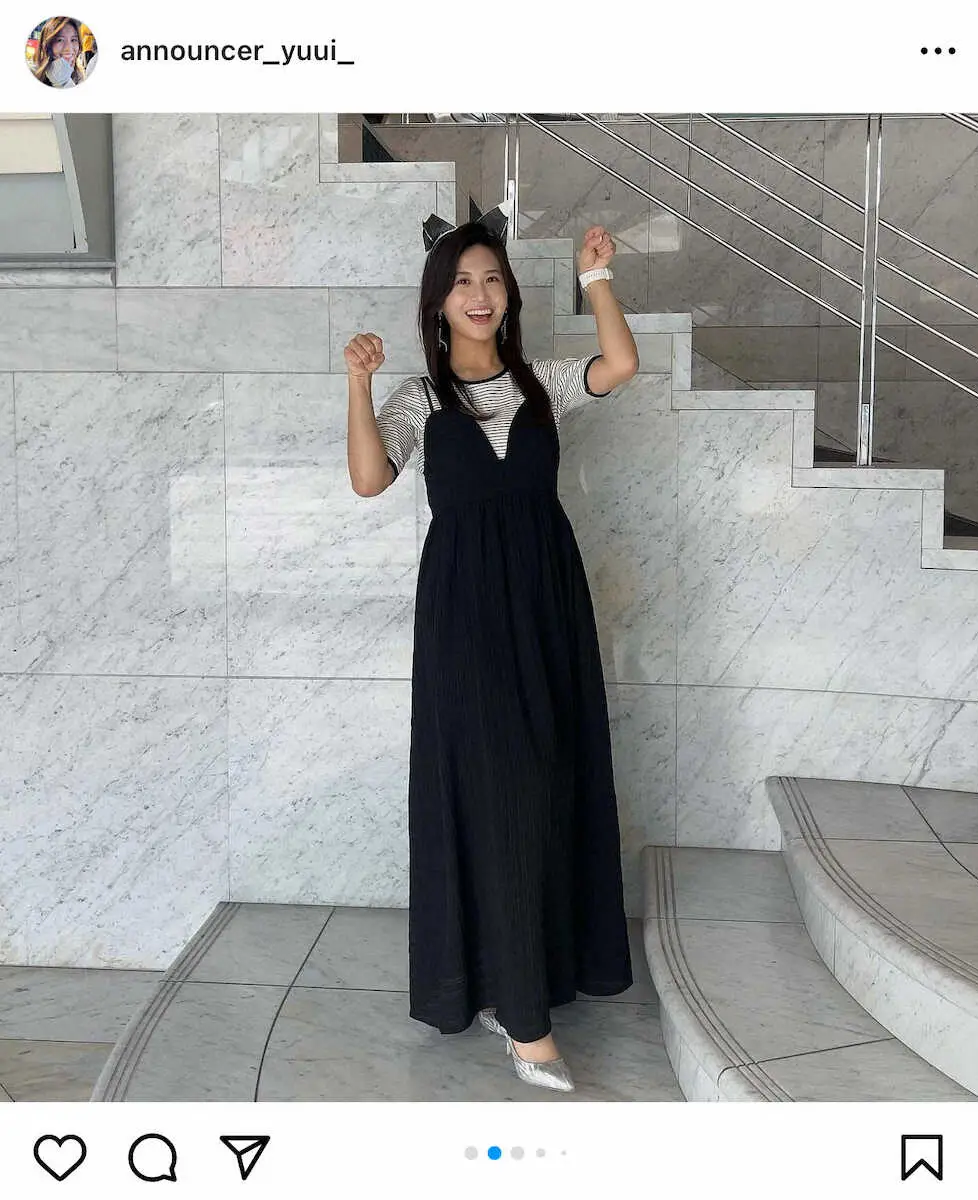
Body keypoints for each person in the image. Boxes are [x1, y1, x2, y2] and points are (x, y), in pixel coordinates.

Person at [345, 213, 639, 1093]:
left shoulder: (539, 381)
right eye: (461, 282)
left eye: (492, 280)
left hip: (548, 606)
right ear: (437, 302)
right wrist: (358, 384)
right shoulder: (419, 398)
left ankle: (506, 979)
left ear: (508, 295)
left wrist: (596, 280)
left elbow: (619, 364)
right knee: (496, 789)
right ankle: (525, 1024)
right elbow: (368, 478)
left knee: (547, 784)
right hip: (466, 616)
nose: (479, 295)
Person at [31, 17, 87, 88]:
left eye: (73, 40)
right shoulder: (33, 73)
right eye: (60, 40)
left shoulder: (80, 75)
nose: (68, 48)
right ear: (47, 45)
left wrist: (65, 83)